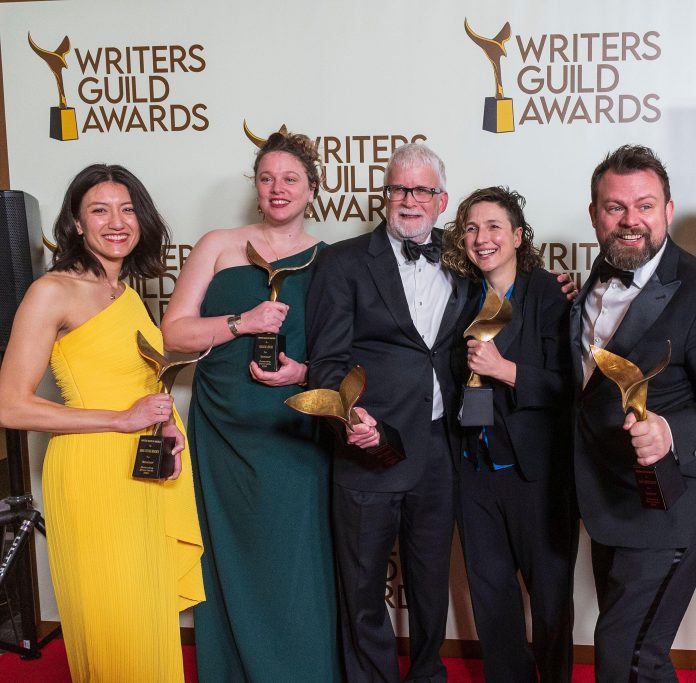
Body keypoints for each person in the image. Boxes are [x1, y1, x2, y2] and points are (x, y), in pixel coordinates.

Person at [0, 164, 204, 682]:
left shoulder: (127, 295)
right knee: (115, 624)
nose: (117, 222)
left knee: (146, 618)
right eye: (100, 210)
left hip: (145, 471)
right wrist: (120, 419)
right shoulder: (52, 291)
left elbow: (141, 381)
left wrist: (166, 423)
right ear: (76, 223)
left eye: (128, 209)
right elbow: (10, 406)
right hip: (93, 473)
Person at [570, 145, 696, 681]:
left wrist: (670, 431)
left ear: (668, 211)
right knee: (635, 654)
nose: (630, 220)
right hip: (609, 497)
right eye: (615, 207)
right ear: (594, 214)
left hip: (674, 502)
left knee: (626, 655)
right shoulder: (598, 276)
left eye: (645, 206)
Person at [160, 131, 340, 682]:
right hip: (223, 432)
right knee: (232, 560)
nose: (277, 188)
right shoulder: (218, 245)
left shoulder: (332, 261)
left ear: (312, 189)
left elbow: (342, 354)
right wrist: (243, 322)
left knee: (296, 561)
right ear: (256, 188)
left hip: (295, 432)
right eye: (266, 178)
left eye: (290, 178)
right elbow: (174, 333)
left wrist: (303, 372)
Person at [305, 142, 465, 682]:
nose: (409, 200)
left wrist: (553, 288)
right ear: (385, 195)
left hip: (439, 448)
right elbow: (326, 362)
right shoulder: (343, 262)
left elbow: (508, 293)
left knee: (430, 582)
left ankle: (427, 675)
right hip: (369, 446)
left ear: (442, 200)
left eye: (421, 190)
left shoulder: (463, 258)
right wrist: (350, 418)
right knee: (363, 586)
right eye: (399, 188)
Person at [441, 186, 577, 682]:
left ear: (519, 236)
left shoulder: (550, 293)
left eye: (494, 226)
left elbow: (571, 386)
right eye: (471, 228)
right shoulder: (459, 294)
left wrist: (506, 370)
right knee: (492, 600)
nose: (482, 238)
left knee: (550, 601)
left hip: (535, 475)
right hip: (474, 471)